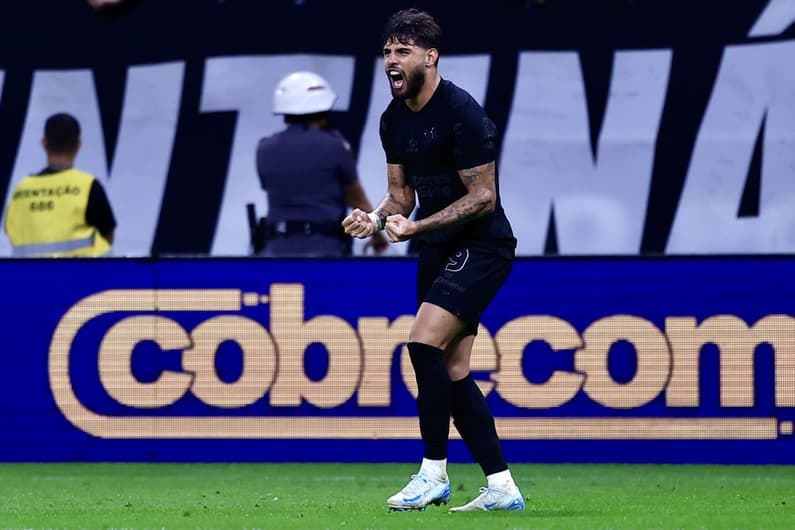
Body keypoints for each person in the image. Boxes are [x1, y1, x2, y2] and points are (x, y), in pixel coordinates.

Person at [342, 9, 524, 512]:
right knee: (454, 366)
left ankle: (433, 474)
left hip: (483, 245)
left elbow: (484, 197)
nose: (391, 61)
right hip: (439, 247)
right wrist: (376, 221)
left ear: (430, 56)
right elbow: (400, 196)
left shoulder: (462, 111)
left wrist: (417, 227)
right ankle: (503, 489)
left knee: (422, 344)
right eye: (386, 52)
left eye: (402, 51)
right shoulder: (392, 120)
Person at [256, 71, 387, 257]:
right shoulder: (335, 145)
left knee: (284, 288)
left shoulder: (264, 148)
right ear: (322, 110)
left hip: (275, 253)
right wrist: (377, 235)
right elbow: (356, 198)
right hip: (325, 253)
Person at [4, 113, 116, 257]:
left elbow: (10, 230)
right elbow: (108, 235)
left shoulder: (21, 189)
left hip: (29, 277)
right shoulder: (88, 185)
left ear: (44, 143)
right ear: (79, 144)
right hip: (80, 276)